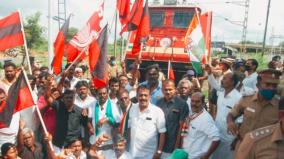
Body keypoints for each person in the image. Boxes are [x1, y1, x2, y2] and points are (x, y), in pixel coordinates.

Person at [227, 69, 282, 152]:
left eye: (274, 85)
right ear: (258, 85)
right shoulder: (247, 99)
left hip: (266, 150)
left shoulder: (280, 105)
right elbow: (231, 114)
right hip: (243, 145)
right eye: (267, 84)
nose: (271, 88)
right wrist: (230, 122)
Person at [206, 66, 242, 159]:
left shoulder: (238, 98)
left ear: (232, 82)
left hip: (229, 138)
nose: (222, 80)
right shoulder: (221, 93)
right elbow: (215, 85)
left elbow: (242, 118)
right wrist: (210, 74)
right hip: (217, 133)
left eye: (225, 79)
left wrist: (236, 137)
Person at [128, 85, 166, 159]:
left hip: (149, 155)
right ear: (136, 96)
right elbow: (130, 127)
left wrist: (159, 151)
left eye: (145, 95)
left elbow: (162, 133)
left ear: (150, 96)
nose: (143, 98)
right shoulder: (132, 108)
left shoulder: (157, 111)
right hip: (132, 153)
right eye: (140, 95)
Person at [156, 80, 189, 159]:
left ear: (175, 89)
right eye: (165, 89)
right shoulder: (158, 103)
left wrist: (176, 148)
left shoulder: (182, 104)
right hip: (158, 146)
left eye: (170, 89)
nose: (167, 92)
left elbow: (182, 128)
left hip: (172, 147)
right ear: (162, 90)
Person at [181, 92, 220, 159]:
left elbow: (216, 139)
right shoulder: (191, 114)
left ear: (203, 103)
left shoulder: (206, 119)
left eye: (197, 102)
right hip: (186, 154)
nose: (194, 104)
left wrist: (206, 156)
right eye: (192, 101)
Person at [87, 87, 118, 158]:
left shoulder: (113, 105)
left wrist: (107, 119)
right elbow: (88, 121)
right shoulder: (93, 104)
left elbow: (117, 124)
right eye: (100, 93)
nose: (102, 95)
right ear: (97, 94)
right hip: (95, 141)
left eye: (104, 93)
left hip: (108, 142)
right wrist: (90, 128)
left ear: (107, 94)